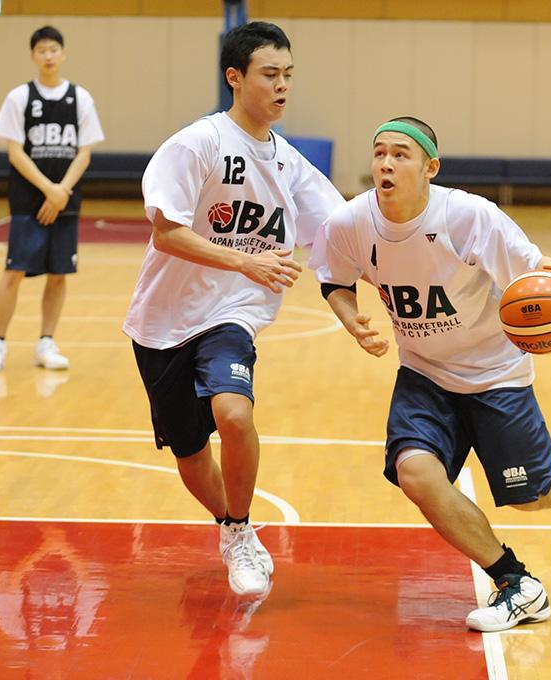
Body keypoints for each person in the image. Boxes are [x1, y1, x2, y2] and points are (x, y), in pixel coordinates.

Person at [310, 116, 551, 632]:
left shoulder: (468, 216)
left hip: (495, 373)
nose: (386, 163)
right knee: (416, 473)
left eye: (401, 154)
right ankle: (516, 583)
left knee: (530, 495)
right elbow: (334, 279)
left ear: (430, 168)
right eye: (379, 153)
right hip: (424, 373)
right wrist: (351, 320)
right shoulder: (351, 222)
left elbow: (533, 269)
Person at [122, 21, 343, 597]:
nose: (282, 85)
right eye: (270, 74)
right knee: (191, 453)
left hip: (232, 314)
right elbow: (167, 232)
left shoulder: (289, 163)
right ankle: (232, 525)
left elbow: (342, 230)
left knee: (235, 415)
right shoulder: (197, 144)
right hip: (162, 321)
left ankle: (239, 531)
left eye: (288, 74)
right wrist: (247, 261)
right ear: (235, 77)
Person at [0, 25, 105, 373]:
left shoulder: (81, 98)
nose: (48, 56)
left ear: (63, 54)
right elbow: (15, 152)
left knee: (59, 274)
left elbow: (84, 153)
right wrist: (49, 189)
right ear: (33, 56)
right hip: (28, 199)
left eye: (54, 49)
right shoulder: (19, 97)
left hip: (65, 200)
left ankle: (46, 343)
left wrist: (61, 191)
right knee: (14, 271)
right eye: (42, 50)